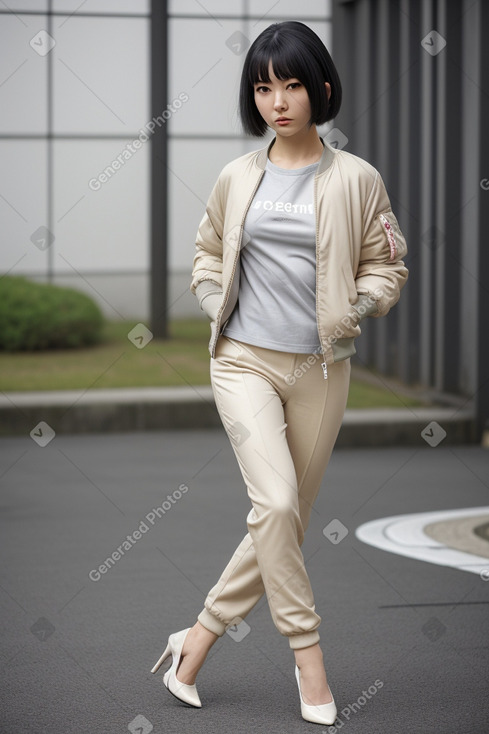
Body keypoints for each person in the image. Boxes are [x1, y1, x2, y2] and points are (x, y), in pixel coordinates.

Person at [151, 20, 408, 726]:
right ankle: (309, 659)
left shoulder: (358, 179)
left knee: (284, 521)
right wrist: (211, 300)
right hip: (242, 359)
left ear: (321, 87)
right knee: (274, 503)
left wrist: (361, 302)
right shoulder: (238, 176)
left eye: (291, 84)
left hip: (321, 368)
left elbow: (387, 262)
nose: (278, 101)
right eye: (263, 87)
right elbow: (207, 255)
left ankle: (192, 642)